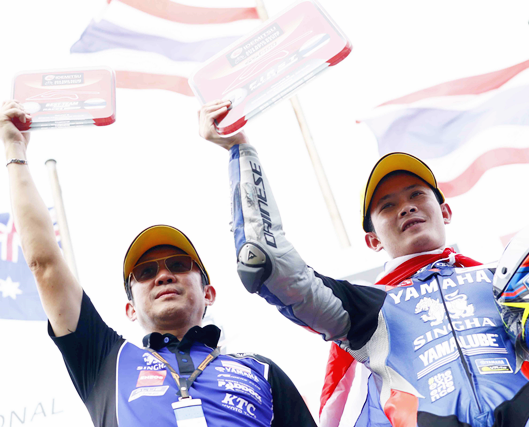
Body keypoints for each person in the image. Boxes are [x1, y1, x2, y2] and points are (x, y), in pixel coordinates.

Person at [198, 99, 529, 427]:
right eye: (387, 205)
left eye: (416, 195)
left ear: (444, 211)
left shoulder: (511, 281)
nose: (406, 207)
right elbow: (265, 265)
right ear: (373, 240)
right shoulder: (361, 308)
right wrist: (241, 150)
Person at [1, 100, 317, 427]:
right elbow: (45, 264)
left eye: (179, 265)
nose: (164, 275)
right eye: (146, 272)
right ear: (130, 309)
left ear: (209, 293)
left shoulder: (261, 371)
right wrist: (14, 148)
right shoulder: (105, 361)